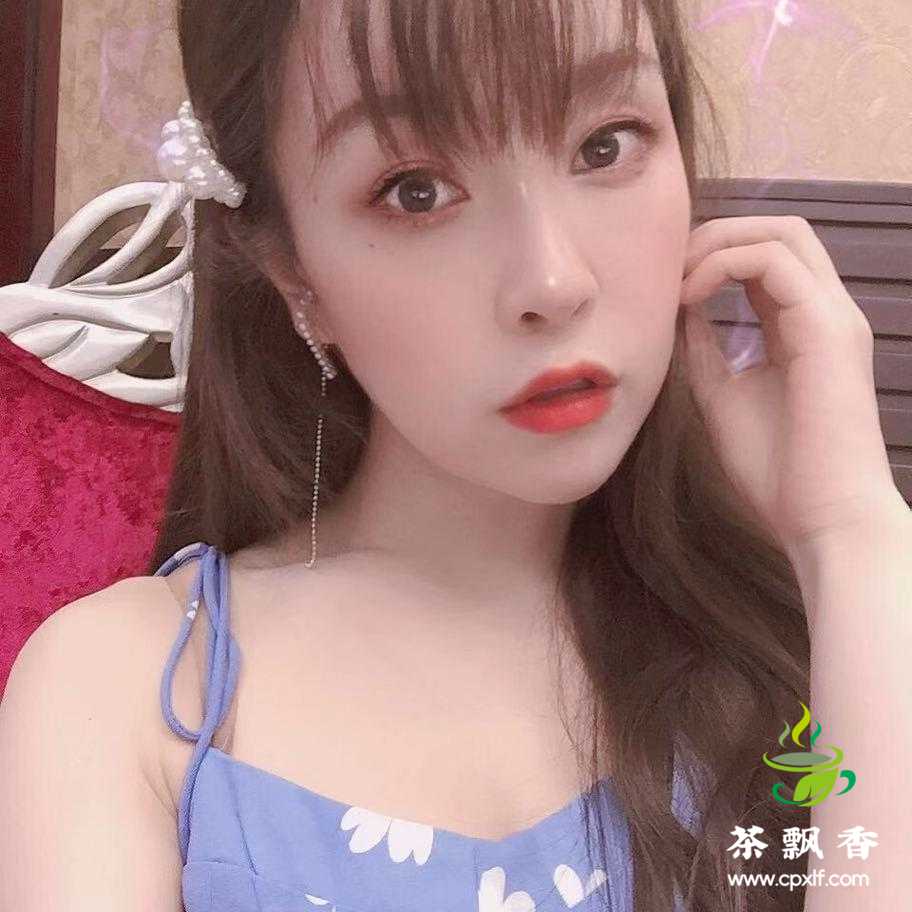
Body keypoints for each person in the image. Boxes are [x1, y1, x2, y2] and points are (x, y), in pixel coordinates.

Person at [1, 1, 909, 910]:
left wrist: (853, 539)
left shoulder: (826, 635)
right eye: (416, 191)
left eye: (605, 145)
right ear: (292, 271)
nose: (553, 282)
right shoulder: (127, 690)